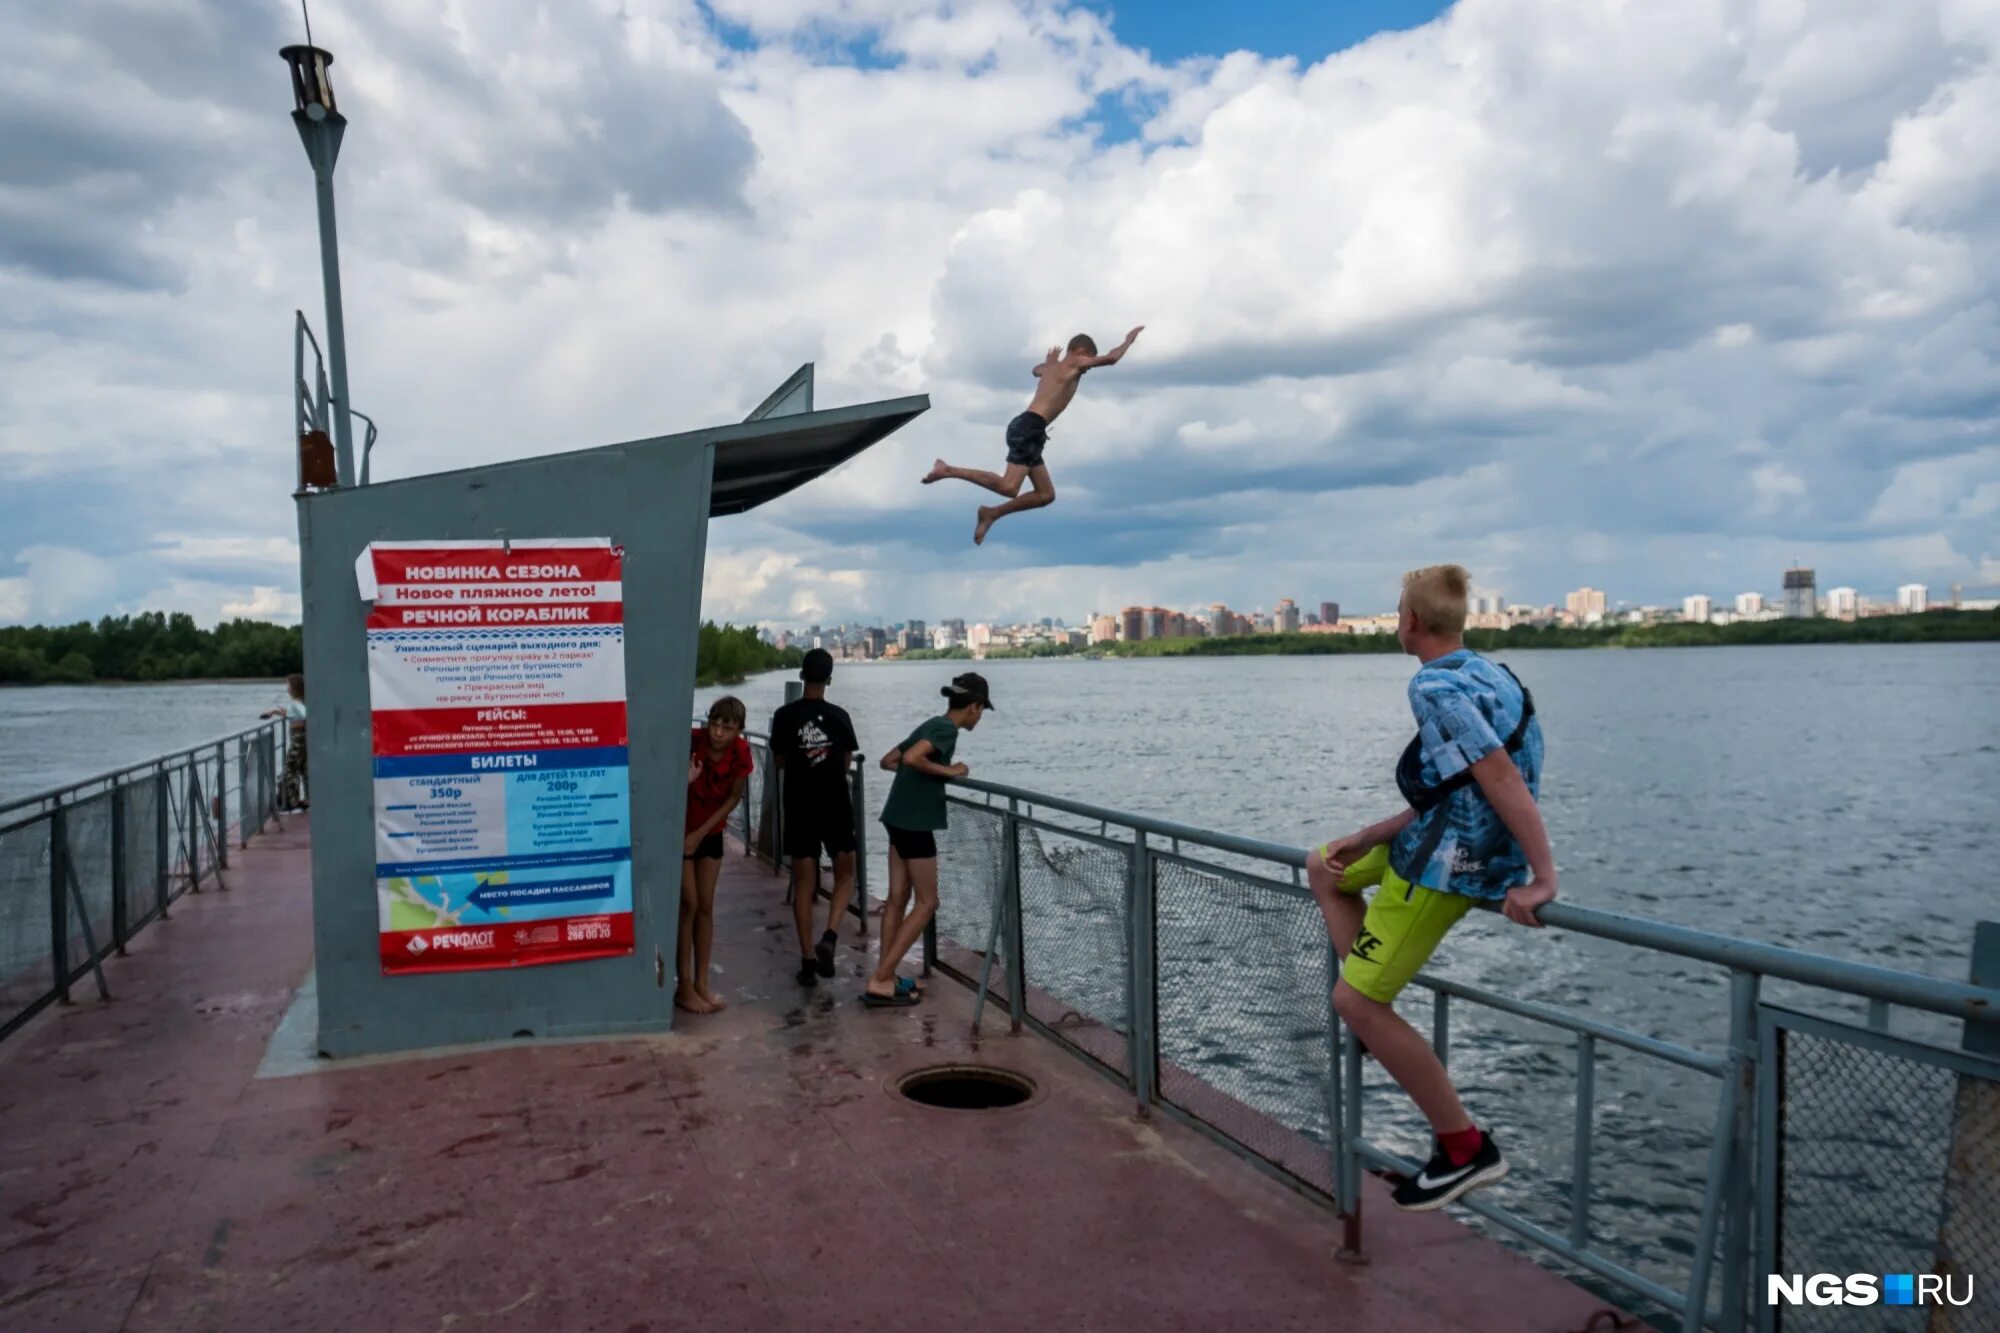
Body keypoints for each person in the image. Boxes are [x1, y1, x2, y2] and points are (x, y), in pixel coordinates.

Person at [1304, 564, 1555, 1212]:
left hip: (1450, 863)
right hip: (1446, 836)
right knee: (1324, 864)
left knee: (1354, 1001)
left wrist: (1543, 876)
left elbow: (1501, 779)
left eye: (1396, 611)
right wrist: (1367, 834)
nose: (1396, 621)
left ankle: (1466, 1147)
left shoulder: (1433, 687)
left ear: (1409, 621)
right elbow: (1459, 786)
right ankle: (1370, 1009)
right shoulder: (1490, 672)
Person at [922, 326, 1143, 546]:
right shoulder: (1073, 362)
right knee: (1009, 487)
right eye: (1089, 361)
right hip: (1029, 428)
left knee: (1045, 495)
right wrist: (1128, 340)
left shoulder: (1054, 368)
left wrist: (1049, 364)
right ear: (1080, 350)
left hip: (1031, 429)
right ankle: (948, 470)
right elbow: (1112, 358)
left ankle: (992, 513)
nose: (1087, 369)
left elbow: (1035, 370)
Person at [865, 672, 994, 1007]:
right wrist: (949, 772)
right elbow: (909, 759)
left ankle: (887, 976)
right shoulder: (945, 729)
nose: (979, 717)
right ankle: (881, 979)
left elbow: (888, 761)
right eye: (981, 710)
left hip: (897, 817)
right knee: (927, 902)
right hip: (915, 823)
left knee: (897, 898)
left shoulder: (929, 724)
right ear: (973, 707)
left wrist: (919, 779)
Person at [769, 649, 862, 987]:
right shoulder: (840, 716)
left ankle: (808, 960)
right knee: (845, 871)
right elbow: (846, 762)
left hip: (799, 804)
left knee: (804, 883)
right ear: (830, 678)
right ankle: (831, 936)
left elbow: (779, 761)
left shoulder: (783, 716)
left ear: (801, 674)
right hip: (835, 802)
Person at [680, 696, 752, 1015]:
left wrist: (703, 832)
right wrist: (687, 782)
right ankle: (683, 985)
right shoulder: (691, 742)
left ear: (738, 730)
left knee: (706, 906)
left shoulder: (741, 752)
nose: (718, 733)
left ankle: (701, 982)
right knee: (688, 904)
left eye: (727, 727)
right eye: (715, 724)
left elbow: (734, 796)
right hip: (680, 833)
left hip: (707, 833)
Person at [262, 673, 308, 812]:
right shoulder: (302, 701)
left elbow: (304, 714)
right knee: (303, 768)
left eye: (288, 685)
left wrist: (287, 714)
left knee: (290, 768)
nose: (286, 688)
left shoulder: (296, 703)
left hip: (298, 740)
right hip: (303, 739)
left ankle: (293, 801)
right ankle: (307, 798)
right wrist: (277, 712)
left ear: (293, 688)